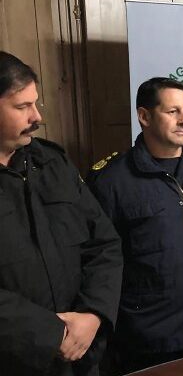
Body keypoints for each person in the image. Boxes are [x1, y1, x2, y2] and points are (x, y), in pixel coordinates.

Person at [87, 77, 183, 373]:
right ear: (144, 116)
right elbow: (99, 260)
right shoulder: (112, 181)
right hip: (149, 336)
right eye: (172, 112)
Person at [0, 51, 123, 375]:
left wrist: (93, 315)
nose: (37, 117)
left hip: (82, 356)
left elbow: (104, 244)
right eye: (22, 107)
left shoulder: (53, 163)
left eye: (36, 103)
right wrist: (52, 335)